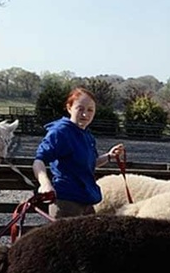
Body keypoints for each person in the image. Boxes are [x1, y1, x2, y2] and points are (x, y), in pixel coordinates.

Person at [33, 87, 124, 219]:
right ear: (69, 108)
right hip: (66, 202)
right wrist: (45, 183)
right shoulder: (60, 132)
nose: (85, 114)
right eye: (80, 109)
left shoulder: (86, 135)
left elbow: (90, 164)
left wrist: (109, 156)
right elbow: (38, 161)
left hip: (87, 200)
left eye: (90, 110)